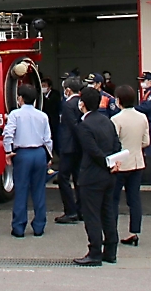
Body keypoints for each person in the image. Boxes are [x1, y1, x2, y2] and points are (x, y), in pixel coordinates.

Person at [73, 86, 122, 266]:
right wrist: (113, 162)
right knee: (107, 212)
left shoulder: (84, 125)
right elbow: (117, 145)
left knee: (92, 215)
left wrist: (106, 162)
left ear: (83, 103)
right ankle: (111, 251)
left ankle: (94, 252)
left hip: (92, 176)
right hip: (109, 175)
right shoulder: (107, 121)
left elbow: (92, 151)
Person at [3, 83, 53, 238]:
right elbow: (48, 139)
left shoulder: (15, 115)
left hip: (22, 154)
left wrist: (8, 151)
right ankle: (39, 226)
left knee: (21, 190)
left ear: (20, 98)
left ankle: (19, 227)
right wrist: (49, 156)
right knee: (39, 190)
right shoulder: (42, 115)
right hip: (39, 153)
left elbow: (8, 134)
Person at [110, 84, 149, 247]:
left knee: (113, 199)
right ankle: (134, 232)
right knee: (134, 199)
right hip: (137, 161)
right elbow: (146, 141)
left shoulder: (116, 119)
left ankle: (111, 232)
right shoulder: (142, 117)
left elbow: (113, 143)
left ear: (118, 100)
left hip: (120, 164)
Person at [55, 76, 83, 224]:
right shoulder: (81, 102)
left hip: (69, 146)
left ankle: (70, 210)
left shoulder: (67, 105)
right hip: (79, 147)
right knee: (78, 178)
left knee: (63, 178)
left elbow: (72, 126)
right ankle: (81, 209)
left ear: (68, 90)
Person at [41, 77, 61, 157]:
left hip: (53, 121)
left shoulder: (55, 94)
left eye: (44, 86)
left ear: (49, 87)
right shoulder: (40, 95)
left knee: (55, 140)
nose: (43, 88)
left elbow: (52, 106)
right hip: (45, 121)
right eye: (42, 86)